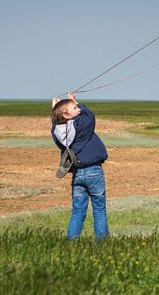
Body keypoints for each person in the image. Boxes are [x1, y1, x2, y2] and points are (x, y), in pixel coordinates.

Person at [50, 93, 109, 240]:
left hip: (77, 174)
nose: (78, 109)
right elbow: (90, 115)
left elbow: (56, 124)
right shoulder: (82, 125)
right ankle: (103, 243)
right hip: (93, 171)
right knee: (99, 209)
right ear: (66, 115)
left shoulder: (57, 132)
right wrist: (76, 102)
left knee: (77, 211)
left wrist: (55, 109)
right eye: (75, 108)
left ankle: (71, 243)